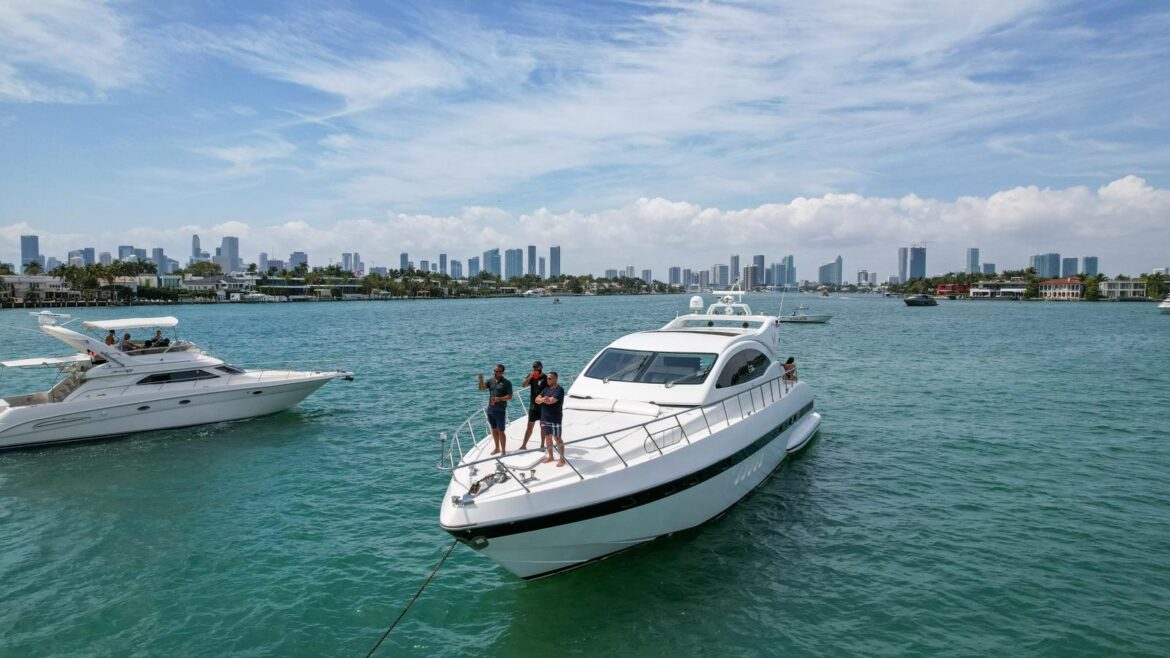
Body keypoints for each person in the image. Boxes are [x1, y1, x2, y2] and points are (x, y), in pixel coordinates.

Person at [477, 364, 513, 455]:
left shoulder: (507, 383)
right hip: (490, 410)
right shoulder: (491, 381)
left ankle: (503, 451)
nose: (496, 373)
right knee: (494, 430)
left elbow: (510, 397)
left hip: (500, 410)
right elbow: (481, 389)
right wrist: (480, 380)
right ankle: (497, 448)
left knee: (501, 431)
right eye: (495, 371)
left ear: (502, 372)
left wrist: (499, 399)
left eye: (498, 371)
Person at [535, 371, 566, 467]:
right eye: (547, 378)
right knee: (547, 437)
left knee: (557, 438)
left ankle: (562, 459)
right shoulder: (545, 389)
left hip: (555, 418)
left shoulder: (559, 390)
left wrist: (543, 399)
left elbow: (551, 401)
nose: (547, 380)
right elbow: (536, 400)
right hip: (545, 417)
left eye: (549, 378)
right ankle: (551, 456)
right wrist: (544, 399)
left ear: (555, 379)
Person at [520, 361, 548, 450]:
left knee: (542, 426)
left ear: (542, 367)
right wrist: (530, 377)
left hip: (543, 405)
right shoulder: (531, 376)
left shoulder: (546, 378)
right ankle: (524, 445)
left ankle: (542, 445)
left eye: (538, 367)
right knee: (529, 426)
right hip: (533, 405)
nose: (536, 369)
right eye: (535, 367)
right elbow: (523, 385)